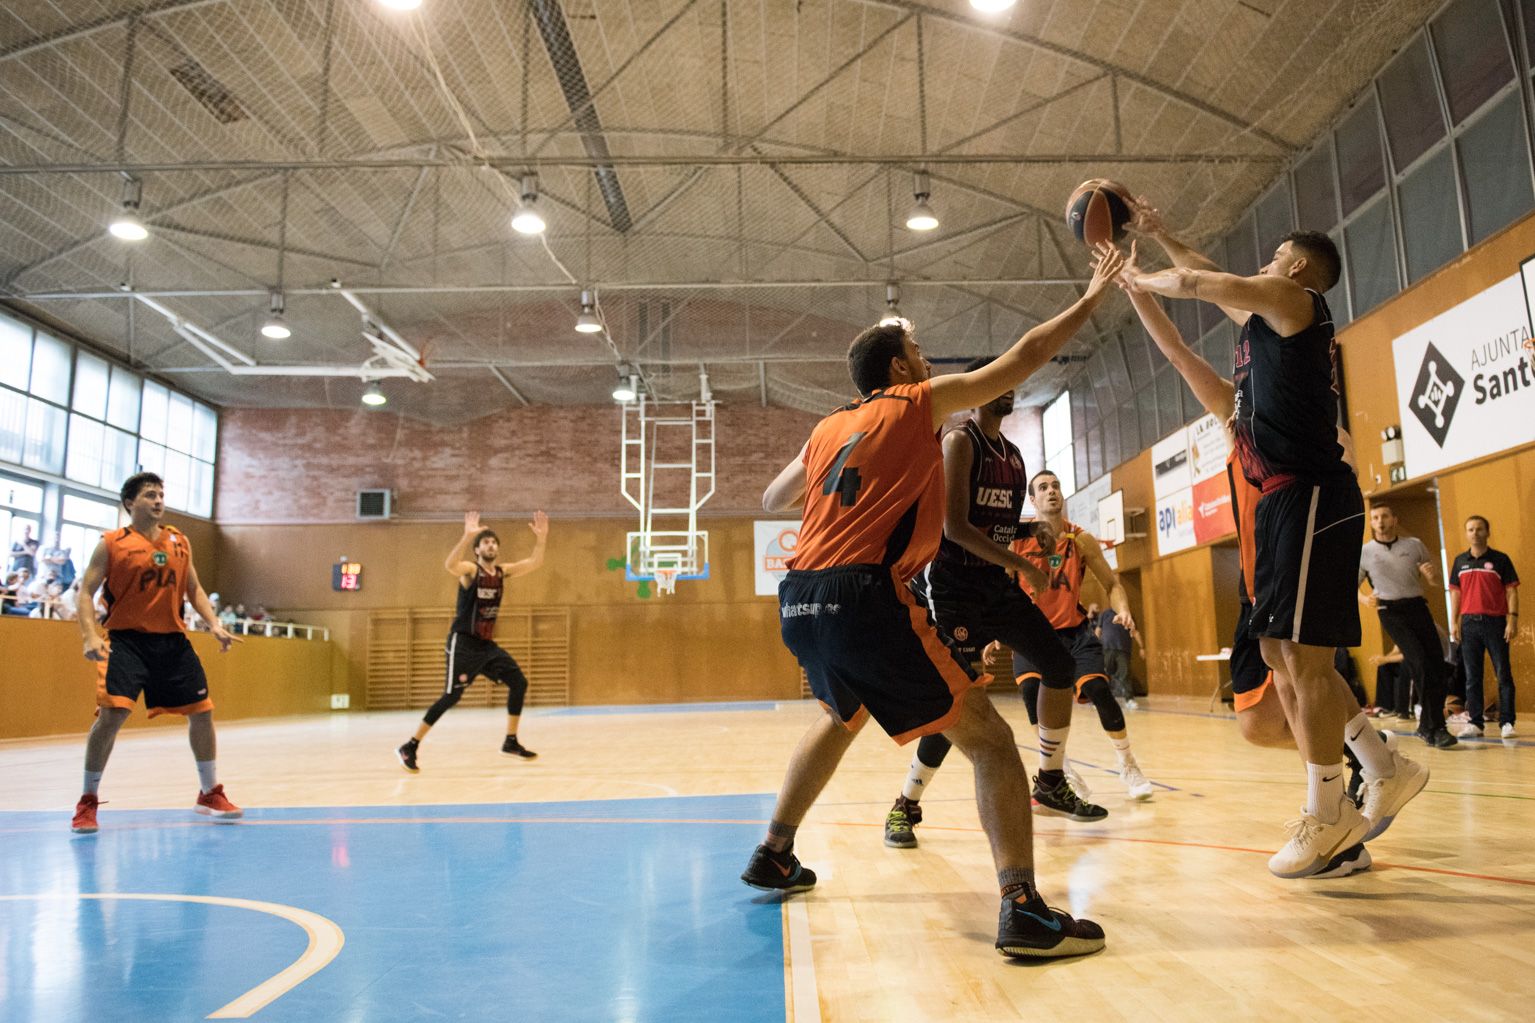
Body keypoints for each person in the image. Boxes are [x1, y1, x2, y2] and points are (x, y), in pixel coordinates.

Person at [740, 243, 1124, 961]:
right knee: (992, 742)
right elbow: (1020, 358)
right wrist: (1090, 298)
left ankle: (774, 851)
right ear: (898, 368)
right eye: (916, 351)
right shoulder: (915, 403)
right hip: (863, 592)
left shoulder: (827, 427)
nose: (924, 360)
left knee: (837, 715)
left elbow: (771, 497)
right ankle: (1023, 909)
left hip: (799, 597)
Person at [1125, 212, 1423, 879]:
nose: (1263, 263)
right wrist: (1155, 244)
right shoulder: (1255, 369)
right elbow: (1186, 334)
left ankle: (1329, 811)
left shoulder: (1299, 304)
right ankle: (1382, 765)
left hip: (1315, 492)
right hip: (1286, 504)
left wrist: (1137, 269)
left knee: (1302, 661)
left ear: (1294, 268)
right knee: (1274, 652)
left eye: (1273, 255)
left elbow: (1205, 281)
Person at [877, 359, 1109, 853]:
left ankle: (1049, 781)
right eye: (999, 381)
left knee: (1059, 664)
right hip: (953, 585)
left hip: (993, 584)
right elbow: (956, 528)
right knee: (955, 704)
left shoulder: (1016, 456)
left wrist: (1029, 531)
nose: (1009, 390)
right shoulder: (960, 442)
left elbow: (996, 526)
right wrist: (1022, 565)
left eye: (1013, 383)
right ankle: (905, 805)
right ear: (980, 390)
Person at [71, 472, 243, 834]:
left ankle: (209, 792)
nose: (158, 500)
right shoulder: (112, 544)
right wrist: (89, 635)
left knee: (202, 713)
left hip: (172, 643)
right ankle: (87, 800)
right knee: (111, 716)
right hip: (127, 642)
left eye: (161, 494)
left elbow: (194, 588)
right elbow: (85, 592)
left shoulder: (179, 541)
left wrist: (213, 623)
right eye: (150, 494)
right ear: (130, 503)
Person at [1011, 470, 1155, 800]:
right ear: (1032, 500)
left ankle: (1128, 762)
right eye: (1043, 488)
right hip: (1032, 634)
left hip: (1074, 633)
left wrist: (1123, 609)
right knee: (1032, 694)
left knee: (1099, 690)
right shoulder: (1018, 541)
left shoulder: (1081, 540)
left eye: (1056, 486)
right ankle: (1061, 769)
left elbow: (1113, 584)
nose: (1052, 491)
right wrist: (994, 632)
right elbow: (1000, 587)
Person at [396, 510, 549, 771]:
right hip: (464, 643)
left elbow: (533, 563)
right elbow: (450, 565)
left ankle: (510, 741)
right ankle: (410, 745)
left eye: (494, 542)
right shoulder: (470, 571)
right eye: (486, 542)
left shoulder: (501, 572)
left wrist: (542, 538)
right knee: (451, 697)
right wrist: (466, 536)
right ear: (478, 549)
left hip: (486, 646)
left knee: (519, 682)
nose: (491, 545)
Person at [1357, 502, 1457, 749]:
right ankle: (1435, 726)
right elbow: (1351, 587)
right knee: (1420, 662)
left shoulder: (1414, 545)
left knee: (1437, 664)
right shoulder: (1366, 552)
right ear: (1371, 522)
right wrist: (1364, 598)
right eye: (1376, 517)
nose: (1380, 521)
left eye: (1385, 516)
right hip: (1390, 611)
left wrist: (1432, 575)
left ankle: (1430, 727)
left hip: (1418, 607)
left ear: (1394, 519)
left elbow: (1434, 581)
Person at [1449, 515, 1519, 738]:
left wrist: (1512, 619)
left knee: (1503, 673)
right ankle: (1476, 723)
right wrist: (1454, 621)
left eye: (1479, 529)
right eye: (1470, 529)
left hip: (1496, 623)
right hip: (1469, 624)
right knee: (1472, 677)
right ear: (1466, 533)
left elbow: (1511, 590)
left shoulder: (1500, 560)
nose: (1475, 533)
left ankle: (1507, 722)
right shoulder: (1460, 561)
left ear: (1487, 532)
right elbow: (1455, 593)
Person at [1097, 605, 1138, 707]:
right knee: (1104, 674)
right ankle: (1102, 700)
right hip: (1106, 648)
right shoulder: (1105, 614)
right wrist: (1095, 645)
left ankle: (1129, 700)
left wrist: (1142, 647)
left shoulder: (1128, 613)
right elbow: (1098, 630)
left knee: (1125, 674)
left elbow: (1134, 631)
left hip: (1122, 649)